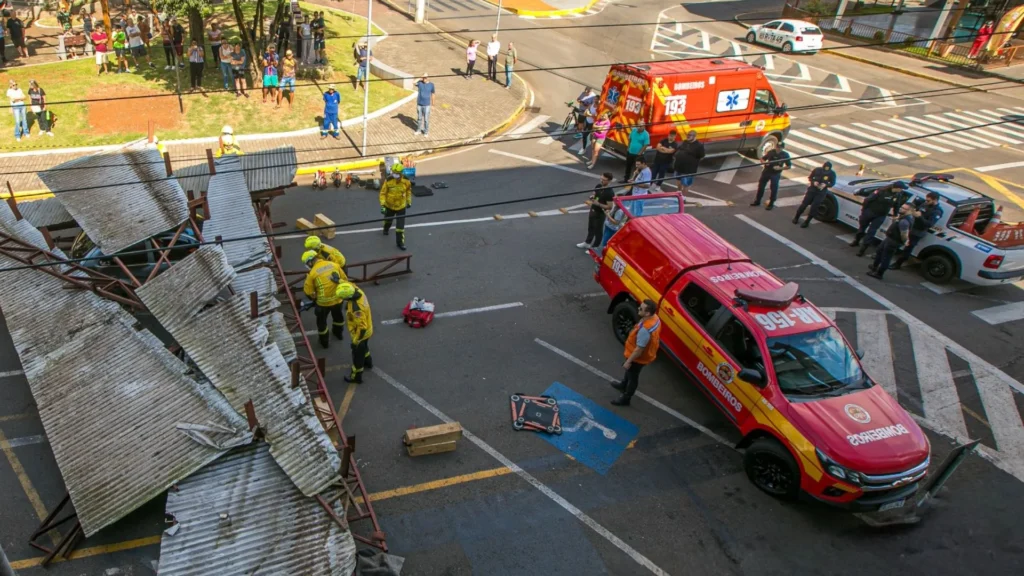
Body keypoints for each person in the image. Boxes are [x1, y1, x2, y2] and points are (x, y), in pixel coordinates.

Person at [610, 299, 662, 406]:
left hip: (638, 358)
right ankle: (623, 384)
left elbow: (639, 350)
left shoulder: (645, 331)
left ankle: (626, 398)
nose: (638, 308)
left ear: (647, 313)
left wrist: (629, 361)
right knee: (630, 373)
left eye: (641, 309)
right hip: (644, 355)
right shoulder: (654, 318)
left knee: (633, 377)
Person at [302, 251, 346, 348]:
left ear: (310, 262)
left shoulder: (312, 273)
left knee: (322, 323)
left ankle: (324, 342)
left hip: (323, 304)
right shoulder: (334, 265)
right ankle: (338, 334)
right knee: (338, 318)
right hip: (338, 300)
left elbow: (309, 292)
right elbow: (344, 279)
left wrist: (314, 298)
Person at [850, 181, 906, 256]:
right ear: (896, 188)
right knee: (862, 228)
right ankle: (856, 241)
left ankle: (863, 249)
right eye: (901, 188)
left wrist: (895, 215)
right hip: (870, 212)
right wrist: (864, 210)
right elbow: (868, 200)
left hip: (881, 215)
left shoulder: (898, 194)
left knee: (872, 232)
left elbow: (896, 205)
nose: (902, 190)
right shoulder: (881, 191)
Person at [891, 191, 943, 270]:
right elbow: (916, 209)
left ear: (935, 200)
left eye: (928, 201)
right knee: (896, 241)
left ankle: (898, 264)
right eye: (926, 200)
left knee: (908, 248)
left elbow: (929, 224)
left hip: (918, 232)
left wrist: (920, 217)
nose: (926, 202)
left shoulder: (937, 211)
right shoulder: (924, 204)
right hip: (911, 226)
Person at [335, 282, 374, 384]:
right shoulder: (357, 290)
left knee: (357, 356)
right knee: (365, 348)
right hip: (368, 330)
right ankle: (368, 362)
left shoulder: (357, 309)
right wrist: (338, 281)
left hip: (361, 334)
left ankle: (356, 376)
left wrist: (355, 341)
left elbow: (362, 328)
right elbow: (350, 284)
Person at [868, 203, 915, 280]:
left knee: (886, 258)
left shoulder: (904, 221)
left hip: (893, 241)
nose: (901, 209)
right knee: (879, 251)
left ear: (909, 210)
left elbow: (904, 234)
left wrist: (905, 241)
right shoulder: (905, 217)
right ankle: (875, 266)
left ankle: (879, 273)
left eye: (904, 208)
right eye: (901, 207)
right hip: (890, 238)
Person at [793, 161, 836, 228]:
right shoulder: (817, 170)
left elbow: (832, 183)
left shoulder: (832, 173)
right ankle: (796, 217)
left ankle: (807, 221)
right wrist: (814, 182)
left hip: (821, 192)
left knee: (814, 207)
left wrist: (825, 185)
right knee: (804, 204)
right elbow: (810, 177)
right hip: (812, 190)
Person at [380, 162, 412, 250]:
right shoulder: (389, 180)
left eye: (397, 173)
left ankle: (400, 243)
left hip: (401, 207)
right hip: (389, 206)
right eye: (393, 172)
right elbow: (383, 193)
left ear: (401, 173)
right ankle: (386, 229)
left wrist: (409, 201)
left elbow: (408, 191)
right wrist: (383, 205)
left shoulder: (406, 181)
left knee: (400, 228)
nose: (395, 175)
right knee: (388, 221)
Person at [751, 142, 792, 210]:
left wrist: (780, 168)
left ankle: (771, 203)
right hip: (766, 171)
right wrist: (765, 162)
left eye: (780, 148)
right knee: (761, 186)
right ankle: (757, 201)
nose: (778, 149)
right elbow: (763, 158)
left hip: (775, 174)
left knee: (774, 188)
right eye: (777, 147)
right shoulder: (771, 152)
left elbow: (789, 166)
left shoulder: (785, 155)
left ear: (783, 148)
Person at [579, 173, 615, 249]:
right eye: (601, 178)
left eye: (603, 180)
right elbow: (595, 194)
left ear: (609, 181)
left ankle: (595, 246)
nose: (601, 181)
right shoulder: (598, 186)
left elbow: (609, 206)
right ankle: (587, 242)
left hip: (600, 213)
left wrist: (598, 204)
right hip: (593, 210)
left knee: (598, 231)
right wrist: (592, 197)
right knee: (591, 227)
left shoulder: (610, 193)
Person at [415, 73, 434, 137]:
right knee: (419, 118)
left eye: (425, 77)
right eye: (423, 77)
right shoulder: (420, 83)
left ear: (428, 78)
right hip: (419, 104)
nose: (424, 79)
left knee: (426, 119)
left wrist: (433, 102)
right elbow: (413, 82)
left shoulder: (431, 85)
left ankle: (426, 132)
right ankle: (418, 130)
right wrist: (420, 77)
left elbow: (433, 93)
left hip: (427, 105)